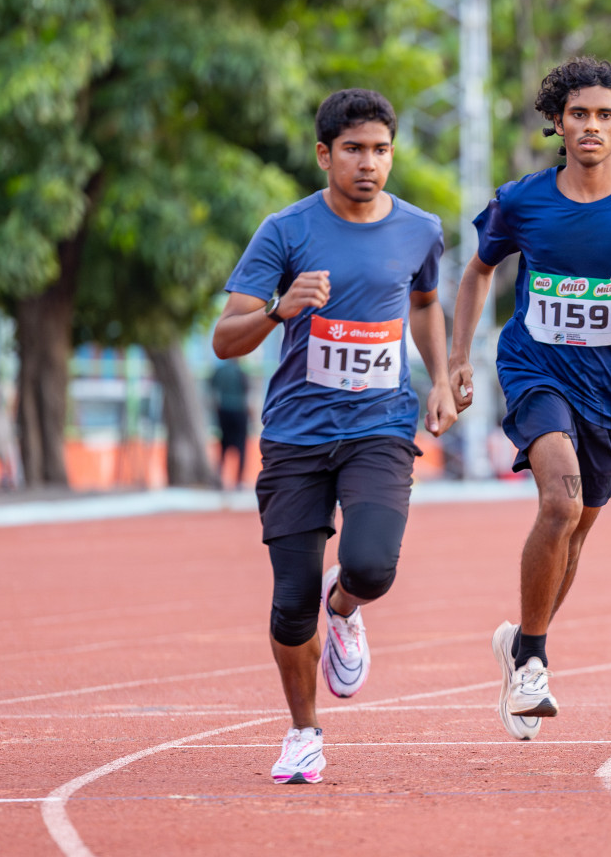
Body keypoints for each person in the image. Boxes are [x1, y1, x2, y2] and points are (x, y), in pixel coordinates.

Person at [448, 57, 611, 741]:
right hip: (537, 370)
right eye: (579, 114)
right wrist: (455, 358)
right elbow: (477, 274)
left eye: (605, 116)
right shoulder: (521, 199)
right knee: (559, 503)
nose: (591, 126)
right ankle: (533, 660)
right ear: (558, 122)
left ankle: (520, 642)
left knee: (577, 530)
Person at [211, 89, 456, 785]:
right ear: (325, 155)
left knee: (373, 566)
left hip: (379, 426)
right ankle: (303, 733)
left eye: (380, 149)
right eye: (353, 149)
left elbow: (426, 303)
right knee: (290, 600)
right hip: (294, 435)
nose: (368, 163)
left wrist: (440, 377)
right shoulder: (285, 231)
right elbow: (225, 337)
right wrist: (278, 310)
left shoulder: (419, 230)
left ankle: (343, 605)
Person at [210, 358, 251, 490]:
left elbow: (211, 388)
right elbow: (247, 392)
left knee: (223, 445)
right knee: (241, 447)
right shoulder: (241, 372)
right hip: (239, 412)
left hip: (223, 410)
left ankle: (219, 477)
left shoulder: (220, 371)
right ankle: (239, 480)